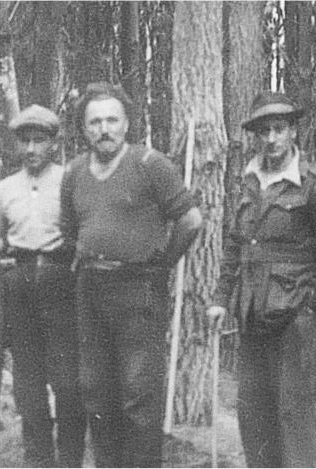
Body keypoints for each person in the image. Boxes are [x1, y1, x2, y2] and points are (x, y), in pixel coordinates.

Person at [59, 82, 203, 467]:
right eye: (94, 122)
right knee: (98, 394)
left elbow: (190, 220)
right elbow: (71, 232)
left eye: (111, 120)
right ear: (83, 128)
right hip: (90, 289)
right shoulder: (73, 173)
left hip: (138, 289)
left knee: (138, 394)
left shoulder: (149, 164)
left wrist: (162, 264)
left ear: (126, 124)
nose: (103, 129)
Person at [206, 92, 316, 467]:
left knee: (294, 417)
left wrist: (310, 304)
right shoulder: (248, 180)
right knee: (254, 416)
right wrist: (221, 298)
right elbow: (235, 244)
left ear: (293, 132)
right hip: (253, 316)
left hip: (295, 322)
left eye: (279, 129)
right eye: (264, 130)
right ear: (255, 135)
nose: (271, 138)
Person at [0, 105, 86, 467]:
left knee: (67, 382)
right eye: (25, 141)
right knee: (28, 383)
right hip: (20, 282)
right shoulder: (6, 189)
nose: (31, 149)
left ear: (54, 143)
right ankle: (39, 460)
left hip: (62, 281)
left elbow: (86, 231)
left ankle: (70, 460)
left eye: (39, 140)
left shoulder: (70, 182)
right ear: (16, 145)